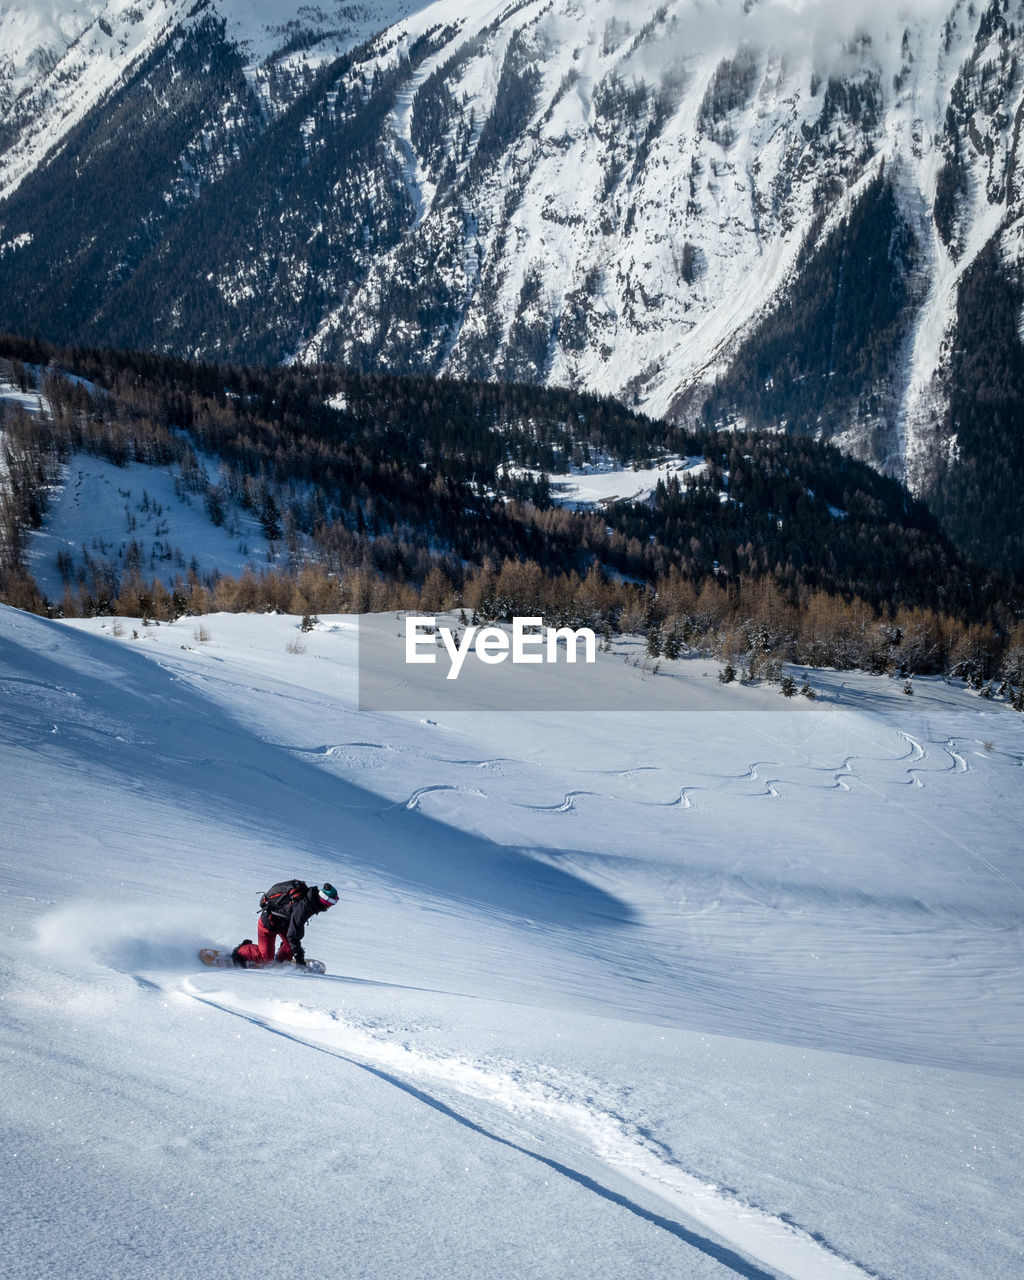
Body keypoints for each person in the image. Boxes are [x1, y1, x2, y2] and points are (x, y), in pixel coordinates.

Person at [232, 881, 339, 968]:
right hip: (269, 924)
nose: (331, 906)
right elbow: (293, 934)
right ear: (325, 900)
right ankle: (241, 951)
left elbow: (295, 929)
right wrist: (299, 959)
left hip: (283, 924)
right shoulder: (305, 906)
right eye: (332, 903)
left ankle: (280, 963)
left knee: (290, 946)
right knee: (266, 957)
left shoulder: (311, 901)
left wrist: (296, 951)